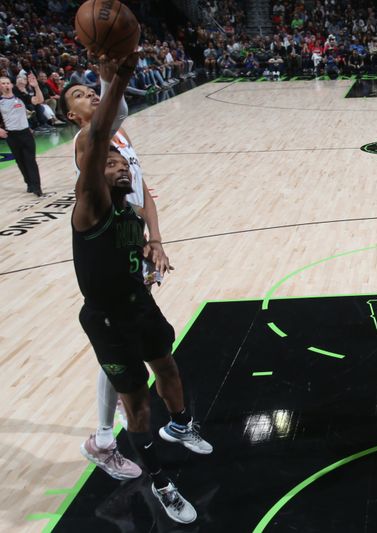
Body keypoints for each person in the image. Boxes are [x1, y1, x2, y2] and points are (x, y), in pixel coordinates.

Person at [69, 52, 210, 524]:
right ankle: (161, 481)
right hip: (106, 319)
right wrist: (119, 72)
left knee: (168, 367)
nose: (118, 164)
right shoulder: (90, 203)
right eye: (108, 162)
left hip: (138, 303)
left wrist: (154, 248)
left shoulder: (126, 202)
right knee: (137, 404)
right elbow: (103, 125)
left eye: (120, 160)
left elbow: (117, 123)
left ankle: (181, 425)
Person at [60, 58, 173, 481]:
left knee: (126, 341)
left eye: (90, 88)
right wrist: (112, 70)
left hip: (129, 239)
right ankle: (104, 438)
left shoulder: (118, 138)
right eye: (78, 94)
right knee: (117, 343)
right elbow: (116, 109)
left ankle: (117, 428)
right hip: (105, 245)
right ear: (72, 116)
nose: (88, 92)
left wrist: (153, 238)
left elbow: (142, 189)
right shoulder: (88, 139)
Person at [0, 73, 43, 195]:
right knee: (20, 161)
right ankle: (29, 183)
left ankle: (37, 187)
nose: (6, 85)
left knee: (31, 160)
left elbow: (39, 100)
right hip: (11, 135)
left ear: (11, 85)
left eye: (7, 83)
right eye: (3, 83)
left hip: (25, 133)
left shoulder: (21, 97)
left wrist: (36, 87)